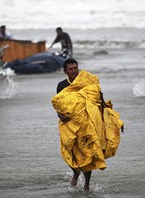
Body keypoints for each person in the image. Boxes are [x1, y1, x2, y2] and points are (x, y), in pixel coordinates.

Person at [51, 59, 123, 192]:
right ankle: (75, 172)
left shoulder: (87, 82)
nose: (74, 71)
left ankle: (87, 185)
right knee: (69, 151)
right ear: (65, 71)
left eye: (75, 68)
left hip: (87, 124)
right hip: (69, 124)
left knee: (88, 153)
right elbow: (58, 104)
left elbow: (99, 100)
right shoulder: (62, 86)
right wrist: (59, 115)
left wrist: (112, 120)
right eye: (70, 69)